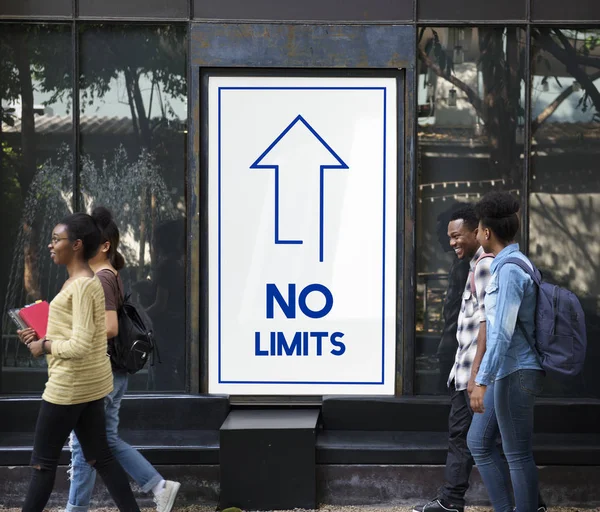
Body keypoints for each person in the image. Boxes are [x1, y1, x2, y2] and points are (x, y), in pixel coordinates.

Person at [17, 212, 140, 512]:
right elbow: (79, 332)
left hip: (69, 388)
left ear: (77, 245)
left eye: (57, 239)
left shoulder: (84, 285)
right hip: (87, 386)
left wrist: (44, 345)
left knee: (42, 465)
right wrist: (41, 334)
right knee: (102, 457)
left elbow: (83, 344)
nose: (50, 245)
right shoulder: (79, 281)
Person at [65, 207, 181, 512]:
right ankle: (159, 485)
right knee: (106, 440)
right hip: (114, 373)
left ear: (103, 246)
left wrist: (72, 335)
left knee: (83, 446)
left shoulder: (101, 278)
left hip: (101, 372)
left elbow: (111, 327)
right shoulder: (110, 274)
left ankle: (75, 508)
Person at [467, 191, 545, 512]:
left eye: (479, 229)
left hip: (515, 372)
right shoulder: (512, 263)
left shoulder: (510, 270)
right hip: (509, 370)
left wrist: (481, 380)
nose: (477, 234)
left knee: (517, 454)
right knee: (479, 442)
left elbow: (501, 334)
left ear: (487, 232)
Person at [414, 205, 493, 512]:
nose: (452, 243)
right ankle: (452, 499)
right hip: (465, 374)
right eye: (449, 238)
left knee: (473, 440)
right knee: (479, 440)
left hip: (474, 376)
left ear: (478, 231)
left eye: (457, 236)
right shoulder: (469, 267)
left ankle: (452, 500)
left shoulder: (484, 267)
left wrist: (476, 377)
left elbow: (489, 325)